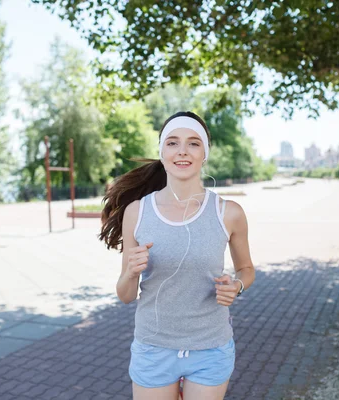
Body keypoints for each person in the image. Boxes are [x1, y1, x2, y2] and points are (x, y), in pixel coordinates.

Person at [99, 111, 255, 400]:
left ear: (204, 153)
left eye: (193, 143)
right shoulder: (138, 212)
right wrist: (131, 272)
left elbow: (246, 269)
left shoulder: (229, 213)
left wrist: (237, 285)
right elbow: (125, 295)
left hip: (210, 347)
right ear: (162, 152)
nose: (182, 150)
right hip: (154, 347)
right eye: (172, 143)